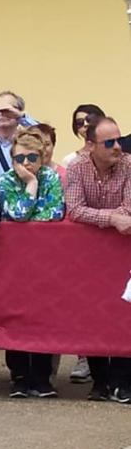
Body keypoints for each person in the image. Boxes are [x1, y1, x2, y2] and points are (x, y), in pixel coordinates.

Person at [65, 116, 131, 404]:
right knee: (91, 312)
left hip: (122, 253)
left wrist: (114, 217)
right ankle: (99, 381)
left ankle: (121, 381)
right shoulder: (76, 167)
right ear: (90, 144)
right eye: (109, 142)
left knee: (121, 312)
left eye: (118, 140)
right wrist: (111, 218)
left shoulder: (129, 165)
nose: (118, 147)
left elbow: (129, 208)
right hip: (88, 254)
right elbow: (75, 209)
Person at [0, 129, 64, 399]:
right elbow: (18, 215)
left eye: (32, 157)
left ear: (42, 156)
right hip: (15, 262)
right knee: (16, 315)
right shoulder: (3, 181)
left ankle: (42, 376)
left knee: (43, 315)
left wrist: (36, 187)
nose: (25, 163)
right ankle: (20, 376)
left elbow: (56, 213)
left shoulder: (53, 177)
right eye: (19, 158)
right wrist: (31, 185)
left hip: (46, 260)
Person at [0, 90, 34, 179]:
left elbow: (45, 135)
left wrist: (21, 117)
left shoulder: (28, 141)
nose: (2, 114)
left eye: (7, 110)